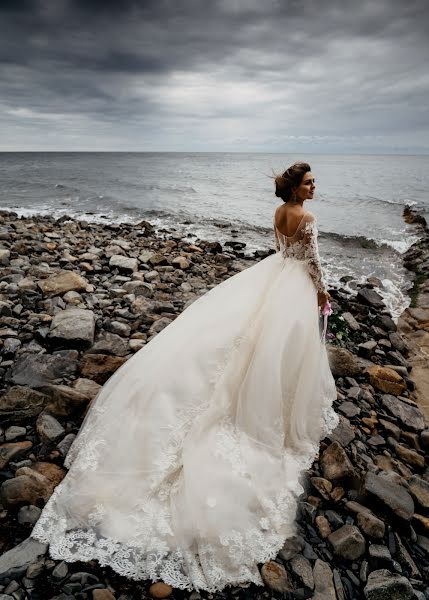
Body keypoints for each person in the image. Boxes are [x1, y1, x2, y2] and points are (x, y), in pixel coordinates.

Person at [30, 161, 339, 593]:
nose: (314, 186)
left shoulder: (280, 213)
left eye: (313, 181)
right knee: (273, 348)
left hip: (273, 275)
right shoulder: (307, 217)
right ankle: (272, 409)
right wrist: (322, 293)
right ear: (296, 187)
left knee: (246, 342)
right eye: (309, 182)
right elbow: (312, 262)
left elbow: (281, 248)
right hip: (293, 284)